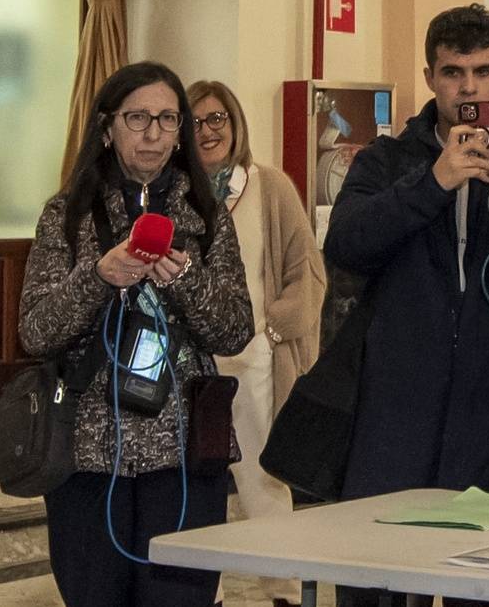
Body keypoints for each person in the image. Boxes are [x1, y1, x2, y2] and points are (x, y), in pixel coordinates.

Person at [18, 62, 252, 607]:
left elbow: (235, 329)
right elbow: (36, 330)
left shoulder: (208, 215)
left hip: (185, 453)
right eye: (138, 118)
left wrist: (187, 280)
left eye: (168, 119)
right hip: (86, 455)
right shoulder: (66, 215)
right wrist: (98, 276)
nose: (153, 133)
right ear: (107, 129)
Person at [323, 5, 489, 569]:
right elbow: (345, 245)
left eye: (483, 72)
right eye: (452, 73)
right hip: (396, 414)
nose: (468, 87)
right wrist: (434, 182)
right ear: (429, 78)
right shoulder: (385, 160)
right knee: (380, 579)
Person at [187, 78, 325, 607]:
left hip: (255, 363)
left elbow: (308, 273)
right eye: (196, 121)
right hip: (194, 368)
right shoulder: (176, 193)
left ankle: (284, 593)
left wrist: (271, 329)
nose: (207, 131)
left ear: (236, 124)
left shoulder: (269, 187)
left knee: (264, 485)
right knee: (200, 489)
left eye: (217, 118)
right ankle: (209, 593)